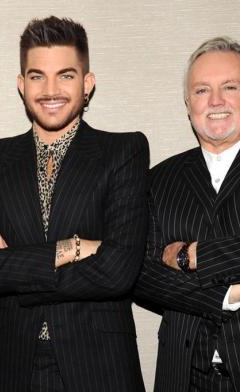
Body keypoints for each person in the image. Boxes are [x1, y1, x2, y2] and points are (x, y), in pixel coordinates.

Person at [0, 16, 149, 392]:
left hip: (100, 363)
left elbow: (119, 271)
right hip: (10, 363)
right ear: (21, 84)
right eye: (36, 76)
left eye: (65, 75)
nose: (50, 90)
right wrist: (74, 248)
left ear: (87, 84)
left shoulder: (123, 151)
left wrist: (11, 263)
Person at [135, 36, 240, 392]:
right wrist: (228, 296)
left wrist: (192, 255)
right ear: (187, 103)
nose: (215, 102)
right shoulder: (158, 179)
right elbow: (140, 272)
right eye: (201, 91)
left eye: (230, 87)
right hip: (181, 376)